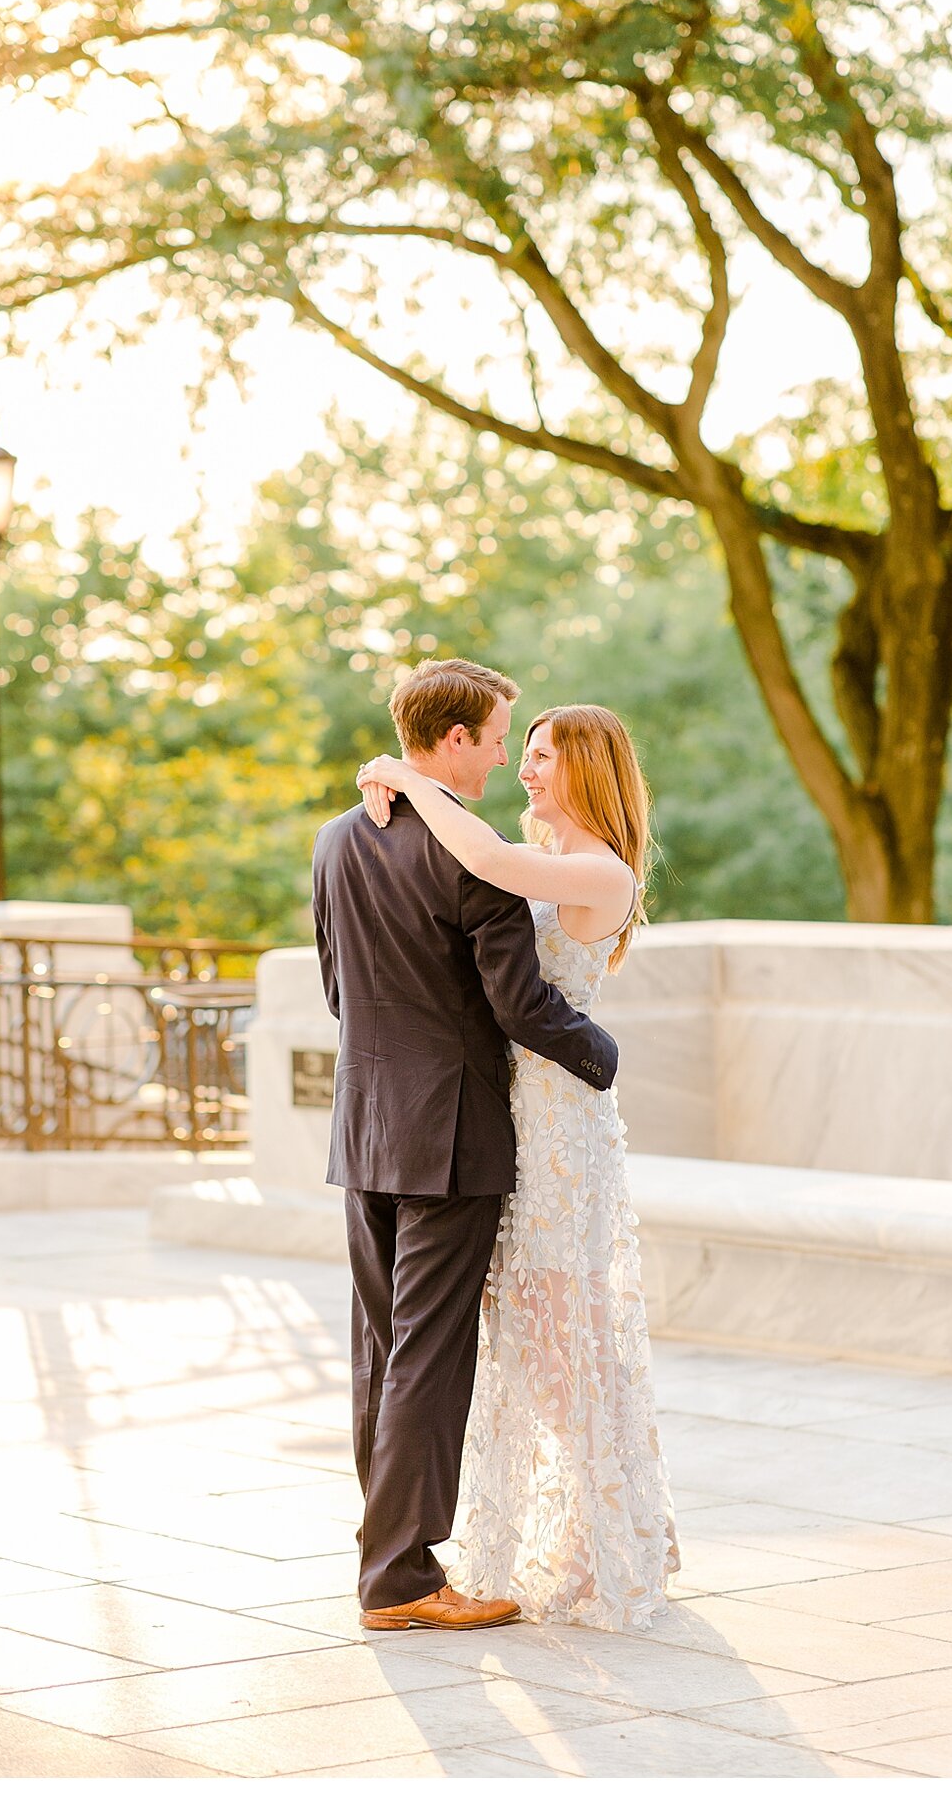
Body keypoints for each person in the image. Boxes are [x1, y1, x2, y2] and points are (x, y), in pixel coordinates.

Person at [356, 700, 679, 1631]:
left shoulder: (596, 870)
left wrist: (410, 779)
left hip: (561, 1130)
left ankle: (605, 1534)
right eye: (522, 752)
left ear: (589, 770)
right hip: (508, 1119)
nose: (526, 771)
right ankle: (595, 1521)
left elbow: (490, 865)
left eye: (544, 759)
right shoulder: (546, 858)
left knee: (558, 1335)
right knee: (535, 1337)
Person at [311, 658, 621, 1631]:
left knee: (381, 1350)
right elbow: (517, 1002)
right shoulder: (473, 854)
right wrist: (599, 1053)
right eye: (494, 737)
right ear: (452, 741)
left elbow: (335, 986)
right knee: (429, 1357)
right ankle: (400, 1578)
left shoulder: (334, 839)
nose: (499, 755)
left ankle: (390, 1559)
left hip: (363, 1120)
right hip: (451, 1133)